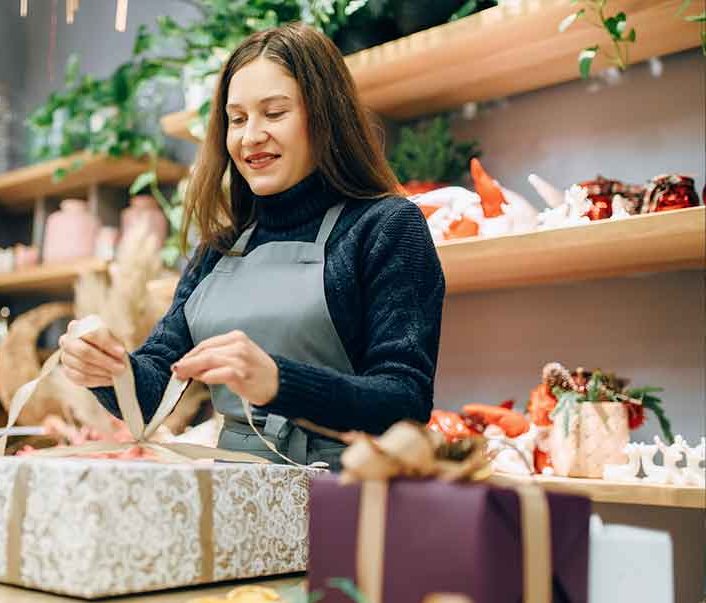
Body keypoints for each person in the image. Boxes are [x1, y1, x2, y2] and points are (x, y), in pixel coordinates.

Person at [58, 22, 444, 471]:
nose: (250, 136)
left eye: (274, 113)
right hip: (234, 499)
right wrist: (110, 369)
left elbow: (405, 401)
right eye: (237, 119)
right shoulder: (218, 249)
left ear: (325, 116)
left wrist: (279, 382)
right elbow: (157, 388)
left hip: (341, 499)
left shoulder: (386, 227)